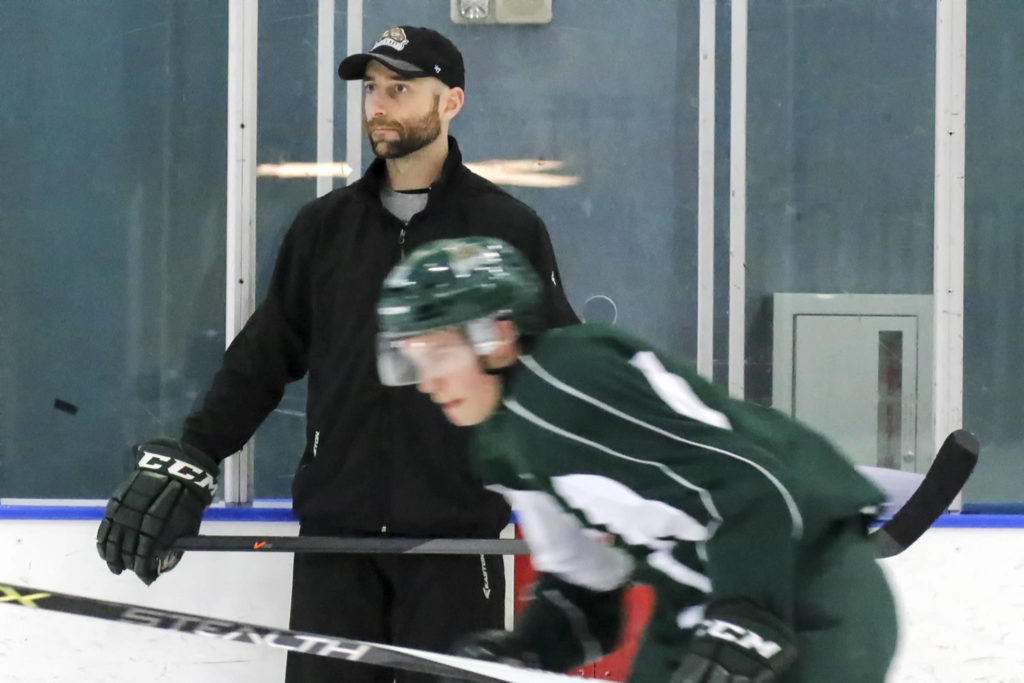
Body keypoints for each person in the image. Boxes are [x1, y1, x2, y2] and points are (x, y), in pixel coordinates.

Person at [95, 26, 577, 683]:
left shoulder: (504, 228)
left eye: (400, 89)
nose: (378, 105)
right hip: (336, 549)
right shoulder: (325, 228)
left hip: (456, 550)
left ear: (451, 102)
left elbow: (558, 366)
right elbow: (265, 356)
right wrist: (198, 450)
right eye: (371, 89)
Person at [374, 237, 900, 683]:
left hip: (806, 588)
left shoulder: (567, 381)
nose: (427, 381)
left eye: (439, 354)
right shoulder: (500, 445)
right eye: (414, 360)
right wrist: (529, 650)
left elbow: (752, 486)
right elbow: (585, 581)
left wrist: (748, 621)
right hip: (700, 607)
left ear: (500, 336)